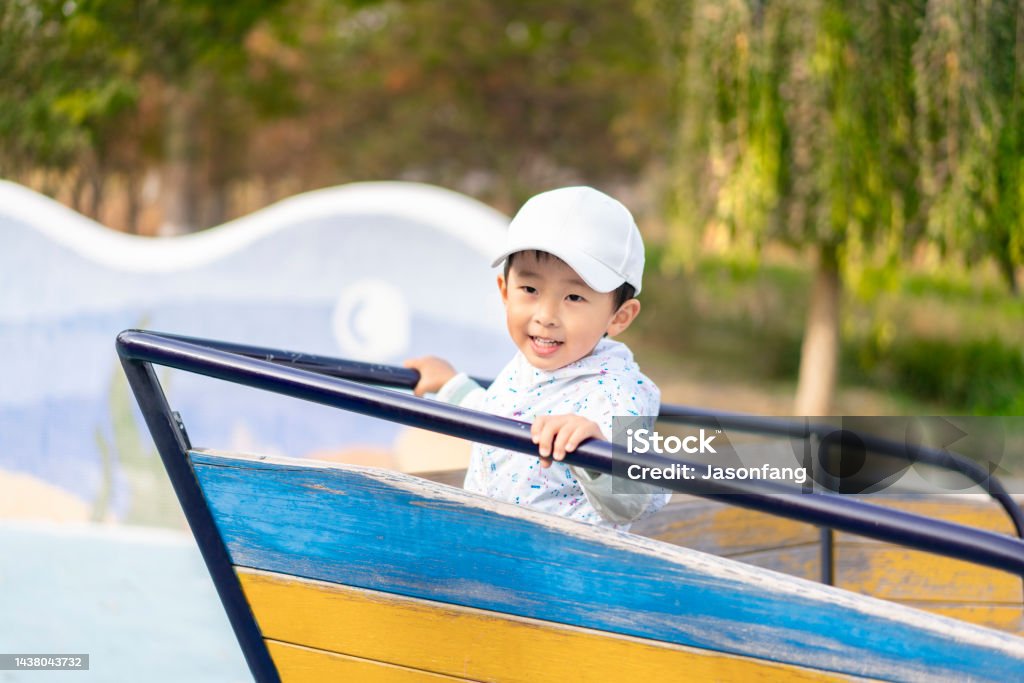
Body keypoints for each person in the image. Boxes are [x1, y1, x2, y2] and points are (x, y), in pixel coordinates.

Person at [405, 186, 669, 529]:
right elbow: (502, 417)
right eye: (530, 290)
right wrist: (451, 384)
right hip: (494, 552)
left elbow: (641, 498)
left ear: (619, 316)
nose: (546, 315)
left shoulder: (621, 392)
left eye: (574, 297)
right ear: (505, 292)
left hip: (565, 569)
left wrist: (597, 453)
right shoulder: (528, 366)